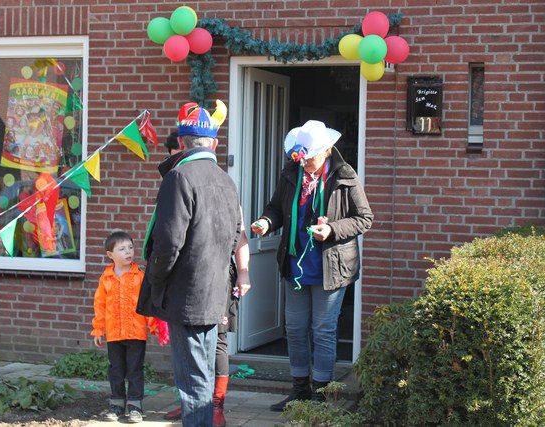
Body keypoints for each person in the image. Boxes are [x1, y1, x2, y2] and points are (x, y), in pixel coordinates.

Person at [250, 119, 374, 412]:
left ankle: (322, 393)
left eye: (310, 157)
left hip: (331, 267)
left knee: (323, 330)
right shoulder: (291, 173)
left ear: (326, 151)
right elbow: (275, 208)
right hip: (296, 266)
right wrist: (266, 222)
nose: (304, 162)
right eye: (301, 157)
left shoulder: (345, 175)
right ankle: (300, 391)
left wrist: (332, 229)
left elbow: (364, 218)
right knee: (295, 329)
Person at [136, 100, 242, 426]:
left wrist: (156, 278)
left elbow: (169, 243)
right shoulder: (227, 180)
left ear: (181, 143)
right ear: (214, 143)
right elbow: (234, 235)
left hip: (186, 296)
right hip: (214, 292)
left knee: (193, 383)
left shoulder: (179, 177)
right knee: (203, 377)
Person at [91, 230, 169, 423]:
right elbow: (100, 305)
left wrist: (154, 326)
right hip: (114, 333)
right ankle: (117, 404)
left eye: (130, 247)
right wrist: (98, 329)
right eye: (122, 249)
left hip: (136, 333)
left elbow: (147, 303)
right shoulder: (106, 278)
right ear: (110, 255)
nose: (128, 252)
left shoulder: (140, 276)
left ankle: (135, 406)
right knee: (116, 369)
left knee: (135, 370)